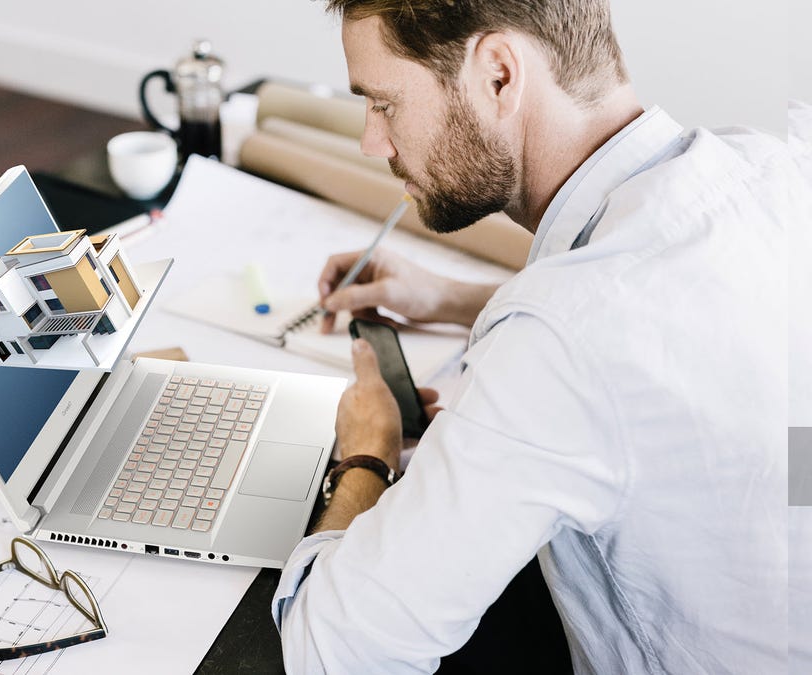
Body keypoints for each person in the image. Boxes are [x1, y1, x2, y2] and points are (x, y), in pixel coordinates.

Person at [271, 1, 795, 672]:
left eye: (385, 104)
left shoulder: (559, 344)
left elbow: (333, 651)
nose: (373, 142)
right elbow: (653, 337)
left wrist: (365, 456)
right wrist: (453, 299)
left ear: (498, 75)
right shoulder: (765, 168)